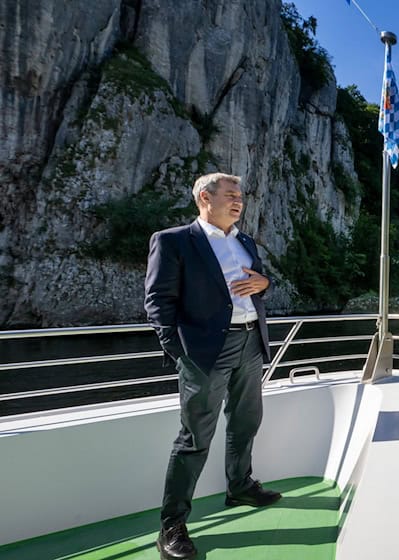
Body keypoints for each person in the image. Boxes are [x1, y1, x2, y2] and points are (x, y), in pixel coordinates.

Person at [145, 172, 281, 560]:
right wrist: (179, 351)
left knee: (246, 421)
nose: (239, 201)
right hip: (205, 352)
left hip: (250, 342)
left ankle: (240, 486)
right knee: (194, 439)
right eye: (231, 195)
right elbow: (158, 301)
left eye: (241, 196)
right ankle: (172, 525)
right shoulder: (173, 241)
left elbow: (259, 287)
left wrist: (265, 285)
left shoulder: (245, 241)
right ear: (205, 197)